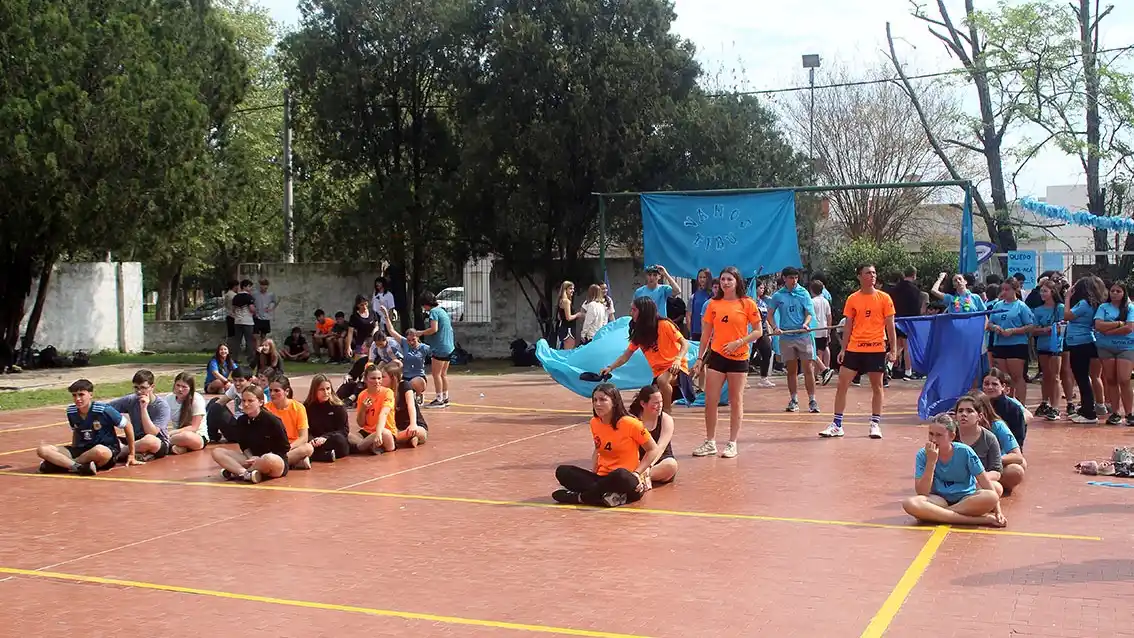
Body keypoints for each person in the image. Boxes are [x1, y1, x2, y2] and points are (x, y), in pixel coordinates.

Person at [691, 266, 763, 458]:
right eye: (722, 279)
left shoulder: (747, 304)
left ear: (737, 281)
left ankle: (732, 443)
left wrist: (739, 342)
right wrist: (699, 358)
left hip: (739, 358)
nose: (725, 283)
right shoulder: (713, 304)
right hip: (717, 357)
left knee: (735, 401)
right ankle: (710, 441)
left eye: (729, 279)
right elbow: (706, 334)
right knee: (710, 400)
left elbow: (758, 331)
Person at [552, 382, 660, 507]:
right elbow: (598, 449)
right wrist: (593, 471)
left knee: (621, 474)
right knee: (563, 471)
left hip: (626, 480)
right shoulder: (594, 422)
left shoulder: (631, 423)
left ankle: (582, 498)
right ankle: (607, 496)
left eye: (603, 400)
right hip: (602, 478)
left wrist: (637, 473)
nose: (597, 404)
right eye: (595, 400)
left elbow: (653, 449)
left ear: (614, 402)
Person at [820, 264, 897, 439]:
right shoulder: (853, 299)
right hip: (854, 348)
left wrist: (893, 350)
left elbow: (890, 326)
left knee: (877, 386)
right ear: (859, 276)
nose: (872, 276)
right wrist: (843, 348)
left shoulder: (885, 298)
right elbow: (848, 325)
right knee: (842, 384)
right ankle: (837, 424)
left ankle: (875, 424)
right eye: (868, 273)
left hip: (876, 347)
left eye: (874, 273)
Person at [900, 414, 1006, 528]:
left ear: (951, 436)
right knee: (909, 503)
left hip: (966, 498)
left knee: (992, 496)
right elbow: (922, 492)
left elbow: (986, 484)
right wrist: (931, 462)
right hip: (939, 499)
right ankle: (979, 520)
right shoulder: (923, 455)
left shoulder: (965, 451)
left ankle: (937, 514)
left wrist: (998, 511)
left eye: (939, 435)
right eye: (931, 434)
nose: (933, 440)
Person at [600, 297, 690, 415]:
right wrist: (610, 367)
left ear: (644, 312)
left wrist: (678, 360)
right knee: (639, 407)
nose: (631, 313)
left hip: (677, 367)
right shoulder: (639, 332)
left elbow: (685, 343)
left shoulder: (664, 325)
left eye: (634, 310)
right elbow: (626, 355)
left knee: (662, 381)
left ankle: (667, 413)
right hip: (658, 372)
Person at [37, 379, 138, 475]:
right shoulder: (71, 411)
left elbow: (127, 425)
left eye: (81, 395)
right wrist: (73, 448)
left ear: (90, 395)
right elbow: (76, 432)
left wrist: (132, 454)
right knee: (43, 449)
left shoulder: (103, 410)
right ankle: (79, 467)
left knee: (100, 451)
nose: (77, 399)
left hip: (105, 450)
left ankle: (63, 464)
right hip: (82, 449)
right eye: (74, 395)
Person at [211, 384, 290, 483]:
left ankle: (236, 471)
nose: (246, 404)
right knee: (217, 452)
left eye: (250, 401)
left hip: (273, 461)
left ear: (260, 402)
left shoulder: (273, 421)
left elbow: (284, 448)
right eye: (243, 401)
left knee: (268, 458)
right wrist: (250, 457)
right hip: (252, 459)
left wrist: (260, 459)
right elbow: (244, 446)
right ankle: (245, 473)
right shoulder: (241, 421)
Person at [766, 267, 818, 414]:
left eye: (796, 278)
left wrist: (806, 324)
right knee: (791, 370)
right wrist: (775, 327)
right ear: (784, 278)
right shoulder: (778, 296)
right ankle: (794, 400)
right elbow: (770, 315)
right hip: (786, 337)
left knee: (808, 368)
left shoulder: (803, 293)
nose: (794, 281)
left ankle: (812, 400)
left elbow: (809, 313)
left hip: (802, 336)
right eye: (791, 278)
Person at [964, 390, 1027, 493]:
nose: (965, 415)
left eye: (970, 411)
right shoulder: (956, 427)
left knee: (1016, 470)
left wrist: (993, 460)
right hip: (965, 469)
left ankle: (985, 486)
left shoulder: (997, 426)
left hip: (990, 466)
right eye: (962, 410)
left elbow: (1017, 456)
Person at [1064, 276, 1107, 423]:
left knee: (1082, 377)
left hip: (1079, 343)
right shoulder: (1094, 304)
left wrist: (1067, 298)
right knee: (1083, 377)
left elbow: (1067, 315)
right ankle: (1085, 408)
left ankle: (1089, 412)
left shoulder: (1083, 303)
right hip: (1086, 341)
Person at [987, 278, 1036, 404]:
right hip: (1000, 344)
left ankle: (1020, 405)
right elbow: (989, 322)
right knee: (1003, 378)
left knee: (1016, 377)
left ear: (1015, 290)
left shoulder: (1021, 306)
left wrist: (1013, 331)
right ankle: (1004, 403)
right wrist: (994, 327)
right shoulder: (998, 305)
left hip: (1016, 344)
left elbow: (1030, 326)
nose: (1004, 292)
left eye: (1007, 289)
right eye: (1002, 289)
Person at [1093, 281, 1134, 425]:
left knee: (1124, 379)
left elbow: (1129, 328)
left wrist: (1108, 331)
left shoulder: (1130, 308)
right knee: (1111, 379)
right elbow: (1098, 325)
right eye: (1113, 291)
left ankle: (1129, 413)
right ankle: (1115, 412)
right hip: (1106, 347)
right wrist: (1118, 324)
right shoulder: (1103, 307)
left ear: (1124, 293)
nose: (1115, 293)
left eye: (1118, 291)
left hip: (1126, 347)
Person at [109, 370, 173, 462]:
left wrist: (143, 408)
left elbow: (151, 433)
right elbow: (107, 408)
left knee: (149, 440)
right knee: (108, 440)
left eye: (143, 388)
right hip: (135, 440)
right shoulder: (131, 399)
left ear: (152, 387)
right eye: (136, 387)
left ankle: (119, 453)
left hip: (158, 442)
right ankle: (140, 453)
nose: (139, 392)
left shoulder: (162, 406)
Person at [952, 394, 1005, 497]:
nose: (964, 414)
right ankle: (957, 511)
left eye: (969, 411)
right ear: (955, 416)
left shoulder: (989, 438)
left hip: (977, 484)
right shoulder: (949, 435)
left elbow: (996, 471)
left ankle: (948, 511)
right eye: (960, 411)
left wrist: (977, 479)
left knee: (996, 488)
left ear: (979, 416)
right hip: (952, 483)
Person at [627, 384, 678, 485]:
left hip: (658, 462)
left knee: (671, 465)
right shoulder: (632, 419)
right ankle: (638, 478)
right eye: (655, 403)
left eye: (661, 402)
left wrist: (648, 467)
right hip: (637, 461)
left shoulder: (666, 419)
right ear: (643, 404)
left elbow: (661, 447)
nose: (660, 406)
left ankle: (639, 477)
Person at [379, 305, 430, 403]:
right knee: (397, 384)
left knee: (413, 383)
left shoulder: (424, 347)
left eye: (413, 340)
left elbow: (435, 353)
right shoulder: (404, 343)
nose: (411, 342)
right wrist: (386, 315)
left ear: (417, 338)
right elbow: (391, 330)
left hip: (418, 376)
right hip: (405, 376)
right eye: (409, 340)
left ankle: (419, 394)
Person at [1030, 278, 1065, 420]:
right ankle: (1045, 401)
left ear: (1053, 292)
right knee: (1046, 375)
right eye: (1041, 291)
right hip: (1043, 345)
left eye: (1045, 291)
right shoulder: (1037, 310)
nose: (1042, 294)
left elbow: (1062, 326)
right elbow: (1034, 329)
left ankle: (1056, 406)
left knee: (1055, 376)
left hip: (1056, 345)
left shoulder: (1060, 308)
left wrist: (1049, 329)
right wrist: (1046, 329)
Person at [264, 375, 315, 470]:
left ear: (286, 391)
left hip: (292, 447)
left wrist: (289, 447)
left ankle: (276, 463)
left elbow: (303, 437)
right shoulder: (265, 409)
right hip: (273, 448)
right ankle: (292, 462)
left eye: (276, 391)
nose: (272, 394)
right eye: (270, 390)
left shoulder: (298, 408)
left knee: (308, 448)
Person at [349, 364, 397, 454]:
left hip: (384, 432)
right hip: (368, 433)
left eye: (379, 378)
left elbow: (384, 414)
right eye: (373, 378)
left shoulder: (388, 393)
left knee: (385, 433)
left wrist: (378, 433)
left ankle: (360, 447)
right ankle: (369, 446)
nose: (377, 381)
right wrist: (363, 409)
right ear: (366, 380)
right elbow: (361, 423)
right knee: (348, 435)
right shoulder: (362, 395)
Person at [302, 374, 350, 463]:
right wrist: (312, 439)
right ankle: (324, 456)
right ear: (314, 391)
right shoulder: (307, 407)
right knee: (303, 444)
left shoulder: (338, 406)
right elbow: (305, 429)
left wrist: (325, 438)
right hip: (314, 441)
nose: (326, 392)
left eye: (328, 389)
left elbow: (344, 430)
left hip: (332, 439)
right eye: (322, 389)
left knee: (340, 441)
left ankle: (315, 456)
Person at [419, 290, 455, 408]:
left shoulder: (434, 312)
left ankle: (439, 399)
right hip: (449, 346)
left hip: (440, 347)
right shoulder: (442, 311)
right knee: (443, 374)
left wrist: (420, 333)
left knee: (436, 374)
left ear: (426, 303)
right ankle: (445, 397)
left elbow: (434, 329)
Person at [383, 360, 428, 447]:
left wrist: (413, 424)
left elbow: (411, 406)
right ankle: (409, 439)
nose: (380, 380)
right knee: (388, 434)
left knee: (420, 432)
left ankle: (401, 439)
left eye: (383, 377)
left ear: (393, 378)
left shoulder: (404, 386)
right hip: (396, 428)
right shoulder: (384, 391)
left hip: (413, 425)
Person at [981, 368, 1029, 450]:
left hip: (1006, 451)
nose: (990, 387)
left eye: (995, 384)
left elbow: (1018, 440)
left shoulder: (1013, 409)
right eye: (986, 384)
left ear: (1003, 386)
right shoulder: (976, 405)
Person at [891, 267, 923, 380]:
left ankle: (888, 365)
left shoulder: (894, 289)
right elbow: (917, 308)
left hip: (895, 319)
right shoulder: (915, 290)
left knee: (898, 345)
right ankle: (908, 371)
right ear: (914, 275)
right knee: (907, 346)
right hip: (909, 320)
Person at [165, 372, 209, 455]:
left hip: (197, 437)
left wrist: (171, 433)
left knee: (186, 436)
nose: (180, 389)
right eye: (178, 385)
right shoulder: (168, 399)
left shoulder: (197, 399)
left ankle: (163, 444)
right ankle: (180, 448)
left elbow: (194, 427)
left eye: (184, 387)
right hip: (177, 436)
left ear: (190, 389)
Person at [207, 367, 252, 444]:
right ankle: (210, 434)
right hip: (235, 424)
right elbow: (220, 402)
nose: (237, 384)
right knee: (214, 402)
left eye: (241, 381)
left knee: (216, 408)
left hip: (245, 431)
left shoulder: (255, 393)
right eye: (235, 380)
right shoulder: (234, 388)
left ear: (249, 381)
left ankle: (210, 435)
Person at [809, 280, 834, 385]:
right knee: (820, 353)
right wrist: (829, 330)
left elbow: (809, 316)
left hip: (815, 330)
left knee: (813, 353)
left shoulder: (812, 301)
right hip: (823, 329)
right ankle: (817, 375)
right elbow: (829, 316)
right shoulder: (825, 301)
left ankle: (821, 372)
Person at [230, 280, 257, 367]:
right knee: (249, 340)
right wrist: (256, 312)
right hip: (247, 321)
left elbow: (233, 309)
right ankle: (250, 358)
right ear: (245, 287)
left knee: (237, 340)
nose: (250, 288)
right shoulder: (249, 297)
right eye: (249, 286)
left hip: (237, 321)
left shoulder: (236, 297)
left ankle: (235, 358)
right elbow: (252, 309)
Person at [686, 268, 713, 343]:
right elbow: (688, 315)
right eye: (700, 277)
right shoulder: (694, 296)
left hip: (711, 332)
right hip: (696, 332)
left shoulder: (714, 295)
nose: (702, 279)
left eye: (704, 277)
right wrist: (690, 332)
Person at [555, 281, 582, 348]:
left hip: (563, 328)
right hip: (568, 330)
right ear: (565, 289)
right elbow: (568, 317)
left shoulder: (561, 301)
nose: (572, 290)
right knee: (568, 353)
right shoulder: (566, 301)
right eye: (570, 288)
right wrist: (577, 315)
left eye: (573, 289)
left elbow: (559, 317)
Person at [252, 278, 278, 346]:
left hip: (266, 317)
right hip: (256, 317)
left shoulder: (271, 294)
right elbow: (250, 303)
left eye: (266, 285)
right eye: (263, 285)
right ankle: (257, 351)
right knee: (256, 336)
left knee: (263, 336)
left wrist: (270, 308)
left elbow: (275, 302)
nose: (264, 287)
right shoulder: (254, 294)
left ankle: (262, 351)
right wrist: (253, 310)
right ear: (260, 286)